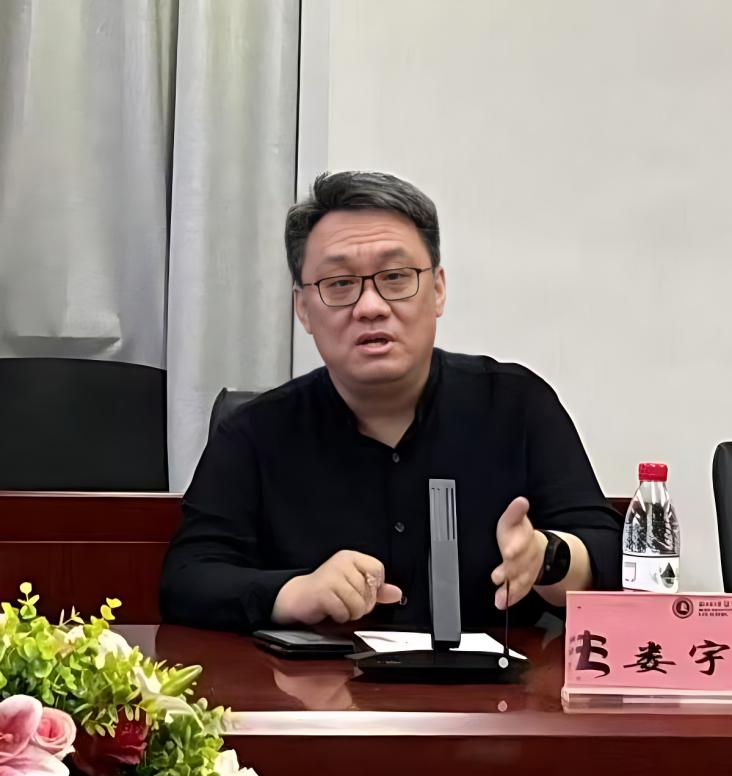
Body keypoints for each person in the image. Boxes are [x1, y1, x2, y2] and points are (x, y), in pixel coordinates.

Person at [160, 171, 621, 633]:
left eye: (396, 278)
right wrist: (295, 592)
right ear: (303, 308)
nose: (370, 306)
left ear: (437, 290)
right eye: (340, 283)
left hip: (494, 679)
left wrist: (547, 558)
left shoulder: (516, 405)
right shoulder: (254, 432)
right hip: (317, 679)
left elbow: (610, 552)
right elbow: (187, 578)